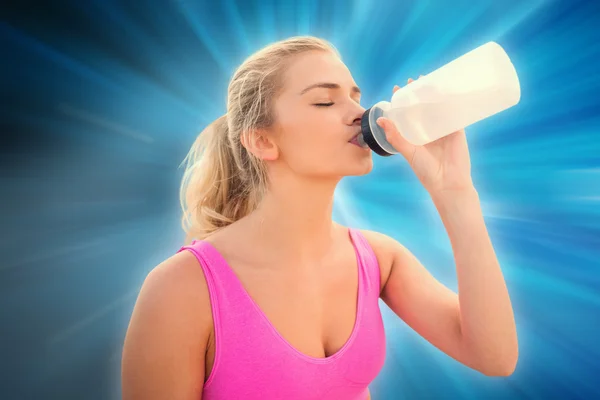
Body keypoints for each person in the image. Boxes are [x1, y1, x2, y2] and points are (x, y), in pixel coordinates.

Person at [121, 36, 518, 400]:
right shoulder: (182, 289)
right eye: (325, 101)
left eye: (355, 96)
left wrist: (456, 195)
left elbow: (494, 357)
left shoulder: (378, 260)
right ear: (262, 140)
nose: (358, 112)